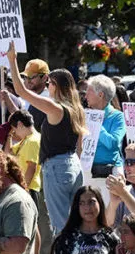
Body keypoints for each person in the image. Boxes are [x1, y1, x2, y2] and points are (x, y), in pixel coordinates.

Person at [7, 44, 86, 234]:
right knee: (75, 222)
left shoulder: (56, 108)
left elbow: (21, 91)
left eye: (49, 83)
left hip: (58, 167)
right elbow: (80, 148)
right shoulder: (76, 108)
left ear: (56, 86)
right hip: (74, 164)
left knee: (60, 225)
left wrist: (12, 60)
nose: (47, 86)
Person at [83, 75, 127, 183]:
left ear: (101, 95)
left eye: (89, 91)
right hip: (87, 171)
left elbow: (113, 143)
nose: (85, 95)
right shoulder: (85, 115)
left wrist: (95, 123)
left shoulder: (118, 116)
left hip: (110, 173)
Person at [5, 110, 41, 209]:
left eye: (14, 129)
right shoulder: (26, 140)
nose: (15, 133)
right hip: (26, 188)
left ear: (20, 124)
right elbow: (8, 154)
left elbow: (31, 168)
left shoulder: (32, 141)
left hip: (30, 189)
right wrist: (9, 135)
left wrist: (23, 189)